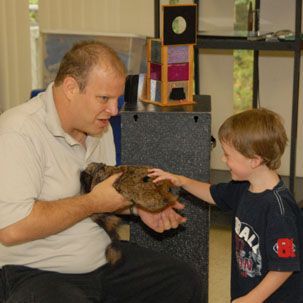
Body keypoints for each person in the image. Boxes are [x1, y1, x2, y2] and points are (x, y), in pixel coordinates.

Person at [0, 41, 201, 303]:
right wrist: (92, 202)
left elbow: (103, 197)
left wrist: (139, 209)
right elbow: (11, 228)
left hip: (101, 259)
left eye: (116, 100)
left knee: (184, 281)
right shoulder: (18, 132)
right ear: (71, 88)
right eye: (104, 99)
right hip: (35, 272)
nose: (114, 111)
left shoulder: (98, 127)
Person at [149, 108, 303, 303]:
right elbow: (213, 194)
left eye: (228, 155)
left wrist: (252, 299)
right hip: (245, 291)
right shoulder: (243, 187)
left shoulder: (279, 209)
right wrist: (181, 181)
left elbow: (285, 267)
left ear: (254, 160)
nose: (223, 159)